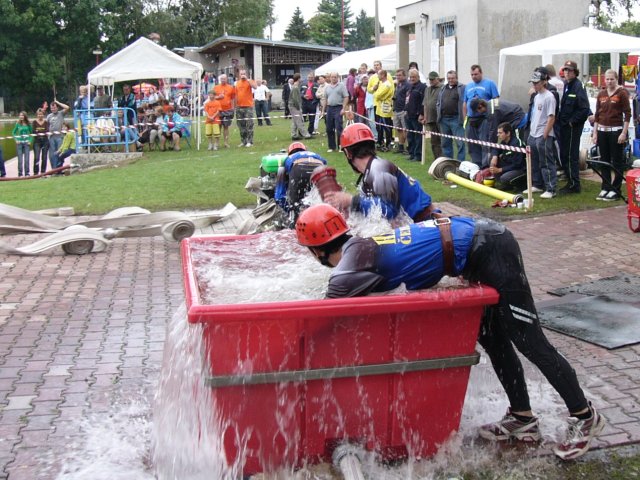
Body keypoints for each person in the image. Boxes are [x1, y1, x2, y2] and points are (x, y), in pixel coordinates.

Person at [294, 203, 605, 462]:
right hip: (475, 249)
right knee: (494, 340)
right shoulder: (358, 246)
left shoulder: (345, 273)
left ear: (315, 251)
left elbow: (323, 318)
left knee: (529, 340)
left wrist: (297, 347)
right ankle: (523, 417)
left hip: (490, 246)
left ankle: (585, 416)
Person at [324, 123, 434, 223]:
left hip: (426, 223)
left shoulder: (379, 168)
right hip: (419, 223)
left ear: (348, 153)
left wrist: (352, 201)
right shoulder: (372, 170)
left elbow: (389, 212)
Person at [592, 69, 631, 202]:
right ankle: (606, 186)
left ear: (616, 79)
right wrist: (595, 132)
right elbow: (597, 114)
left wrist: (623, 133)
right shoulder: (601, 94)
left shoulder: (622, 93)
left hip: (616, 131)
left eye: (612, 79)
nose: (609, 81)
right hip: (602, 131)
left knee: (617, 161)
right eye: (607, 79)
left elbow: (627, 114)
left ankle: (616, 188)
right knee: (604, 160)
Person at [558, 60, 591, 194]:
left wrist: (573, 121)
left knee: (571, 155)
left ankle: (574, 184)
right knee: (564, 154)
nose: (567, 72)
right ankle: (570, 180)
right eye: (565, 70)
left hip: (572, 127)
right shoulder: (567, 85)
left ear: (575, 72)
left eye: (569, 70)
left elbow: (584, 108)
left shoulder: (578, 86)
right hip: (565, 126)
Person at [274, 141, 327, 222]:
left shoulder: (288, 159)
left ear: (289, 152)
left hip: (299, 170)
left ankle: (294, 223)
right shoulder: (316, 156)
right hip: (320, 170)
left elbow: (280, 193)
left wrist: (286, 207)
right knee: (320, 203)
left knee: (295, 206)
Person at [527, 70, 558, 199]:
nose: (535, 85)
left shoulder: (549, 97)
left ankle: (551, 188)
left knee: (546, 161)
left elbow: (551, 117)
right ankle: (538, 184)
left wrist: (545, 133)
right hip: (533, 133)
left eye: (537, 83)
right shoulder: (536, 96)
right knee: (534, 161)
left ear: (544, 82)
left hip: (543, 134)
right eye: (533, 83)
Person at [463, 65, 500, 167]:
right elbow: (465, 103)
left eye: (476, 74)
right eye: (472, 75)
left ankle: (485, 166)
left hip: (484, 118)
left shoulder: (490, 83)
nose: (474, 76)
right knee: (472, 144)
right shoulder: (468, 86)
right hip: (471, 119)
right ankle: (476, 166)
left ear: (481, 73)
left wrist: (493, 118)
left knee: (484, 143)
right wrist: (465, 118)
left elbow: (496, 101)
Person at [486, 122, 526, 191]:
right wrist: (495, 156)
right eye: (498, 133)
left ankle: (520, 185)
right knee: (491, 158)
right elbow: (496, 149)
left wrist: (499, 170)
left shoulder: (516, 144)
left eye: (500, 133)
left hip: (520, 169)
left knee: (504, 178)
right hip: (509, 166)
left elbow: (517, 164)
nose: (498, 135)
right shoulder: (504, 141)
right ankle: (505, 184)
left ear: (508, 133)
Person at [437, 70, 466, 161]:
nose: (450, 80)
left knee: (460, 143)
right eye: (449, 78)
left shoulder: (462, 88)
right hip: (444, 119)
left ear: (456, 78)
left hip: (456, 119)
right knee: (445, 143)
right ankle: (449, 163)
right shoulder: (443, 88)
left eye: (452, 78)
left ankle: (460, 163)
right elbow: (438, 102)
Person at [324, 72, 350, 153]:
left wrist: (343, 108)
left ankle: (341, 146)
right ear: (330, 78)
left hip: (338, 107)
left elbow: (346, 97)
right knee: (329, 128)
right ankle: (331, 146)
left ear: (338, 77)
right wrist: (323, 110)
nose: (333, 78)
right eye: (332, 77)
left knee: (339, 127)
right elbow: (325, 98)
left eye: (335, 77)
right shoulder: (327, 87)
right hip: (329, 108)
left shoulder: (341, 86)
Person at [405, 68, 426, 162]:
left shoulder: (422, 87)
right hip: (409, 115)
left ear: (418, 77)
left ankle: (418, 155)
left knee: (418, 137)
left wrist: (421, 114)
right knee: (410, 136)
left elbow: (423, 102)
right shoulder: (410, 87)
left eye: (414, 77)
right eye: (411, 77)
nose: (412, 79)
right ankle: (412, 153)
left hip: (417, 116)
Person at [421, 71, 443, 160]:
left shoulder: (442, 88)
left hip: (440, 118)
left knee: (442, 140)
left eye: (432, 79)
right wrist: (425, 117)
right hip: (431, 118)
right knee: (434, 141)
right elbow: (425, 104)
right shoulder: (427, 89)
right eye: (430, 79)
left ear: (437, 79)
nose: (431, 81)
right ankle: (436, 158)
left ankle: (443, 158)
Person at [373, 69, 394, 151]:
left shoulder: (387, 85)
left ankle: (388, 143)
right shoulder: (382, 84)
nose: (377, 76)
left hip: (385, 107)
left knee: (387, 126)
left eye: (379, 75)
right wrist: (377, 94)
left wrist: (377, 94)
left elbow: (378, 95)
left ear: (383, 75)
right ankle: (380, 142)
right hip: (380, 108)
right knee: (380, 126)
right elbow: (377, 94)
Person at [235, 69, 257, 147]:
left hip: (248, 106)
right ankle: (243, 141)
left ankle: (250, 141)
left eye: (244, 73)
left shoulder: (249, 81)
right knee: (241, 125)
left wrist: (248, 79)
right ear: (239, 75)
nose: (242, 75)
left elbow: (255, 87)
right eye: (241, 74)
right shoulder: (237, 83)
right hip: (239, 106)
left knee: (249, 124)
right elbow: (236, 95)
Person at [213, 74, 236, 148]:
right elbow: (211, 98)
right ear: (220, 80)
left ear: (227, 79)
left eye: (224, 79)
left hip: (228, 110)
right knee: (218, 126)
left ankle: (226, 142)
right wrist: (218, 97)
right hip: (218, 111)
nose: (223, 80)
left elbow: (233, 98)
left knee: (226, 127)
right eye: (222, 79)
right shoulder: (216, 87)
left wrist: (233, 108)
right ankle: (217, 143)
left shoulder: (231, 87)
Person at [47, 99, 70, 171]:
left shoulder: (61, 113)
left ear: (57, 107)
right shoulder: (49, 116)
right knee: (52, 154)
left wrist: (58, 102)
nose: (53, 109)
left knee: (60, 153)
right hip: (52, 137)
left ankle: (59, 169)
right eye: (51, 108)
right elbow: (47, 125)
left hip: (60, 137)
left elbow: (67, 108)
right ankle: (54, 169)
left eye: (54, 107)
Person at [392, 69, 409, 155]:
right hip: (396, 109)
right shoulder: (398, 84)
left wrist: (406, 109)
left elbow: (408, 98)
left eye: (399, 75)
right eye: (397, 75)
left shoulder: (407, 85)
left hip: (403, 110)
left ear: (404, 76)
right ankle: (401, 146)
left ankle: (408, 147)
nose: (398, 77)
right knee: (398, 129)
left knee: (405, 129)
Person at [289, 73, 311, 141]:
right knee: (299, 121)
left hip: (292, 106)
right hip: (294, 106)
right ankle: (306, 135)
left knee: (295, 121)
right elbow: (295, 99)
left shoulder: (295, 86)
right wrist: (298, 107)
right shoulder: (295, 87)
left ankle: (294, 135)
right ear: (298, 78)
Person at [367, 60, 384, 143]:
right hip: (376, 103)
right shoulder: (372, 77)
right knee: (376, 123)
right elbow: (368, 89)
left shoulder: (386, 75)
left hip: (385, 103)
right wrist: (373, 88)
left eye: (378, 65)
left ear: (381, 66)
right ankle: (379, 139)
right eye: (375, 65)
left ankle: (388, 139)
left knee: (386, 123)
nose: (376, 66)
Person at [13, 111, 32, 177]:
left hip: (26, 143)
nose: (21, 116)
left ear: (25, 116)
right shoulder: (17, 124)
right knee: (20, 160)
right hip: (19, 144)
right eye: (20, 115)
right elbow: (13, 133)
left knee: (27, 159)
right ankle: (20, 173)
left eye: (22, 115)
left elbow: (31, 134)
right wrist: (16, 140)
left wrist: (30, 141)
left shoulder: (28, 124)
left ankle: (27, 173)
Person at [300, 73, 319, 137]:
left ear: (313, 78)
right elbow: (299, 93)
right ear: (307, 78)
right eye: (309, 77)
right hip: (305, 103)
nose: (310, 78)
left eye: (311, 77)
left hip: (312, 103)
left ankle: (310, 132)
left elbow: (318, 94)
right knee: (302, 118)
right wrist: (303, 96)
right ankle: (301, 132)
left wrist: (315, 101)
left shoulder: (316, 85)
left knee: (312, 119)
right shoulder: (303, 84)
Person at [32, 108, 49, 175]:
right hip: (37, 141)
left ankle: (43, 172)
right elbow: (33, 131)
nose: (40, 116)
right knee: (36, 157)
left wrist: (38, 131)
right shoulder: (34, 122)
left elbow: (47, 131)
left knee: (44, 157)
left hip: (45, 141)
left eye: (41, 114)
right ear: (37, 115)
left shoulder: (46, 122)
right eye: (39, 114)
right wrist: (40, 131)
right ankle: (36, 172)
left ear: (43, 115)